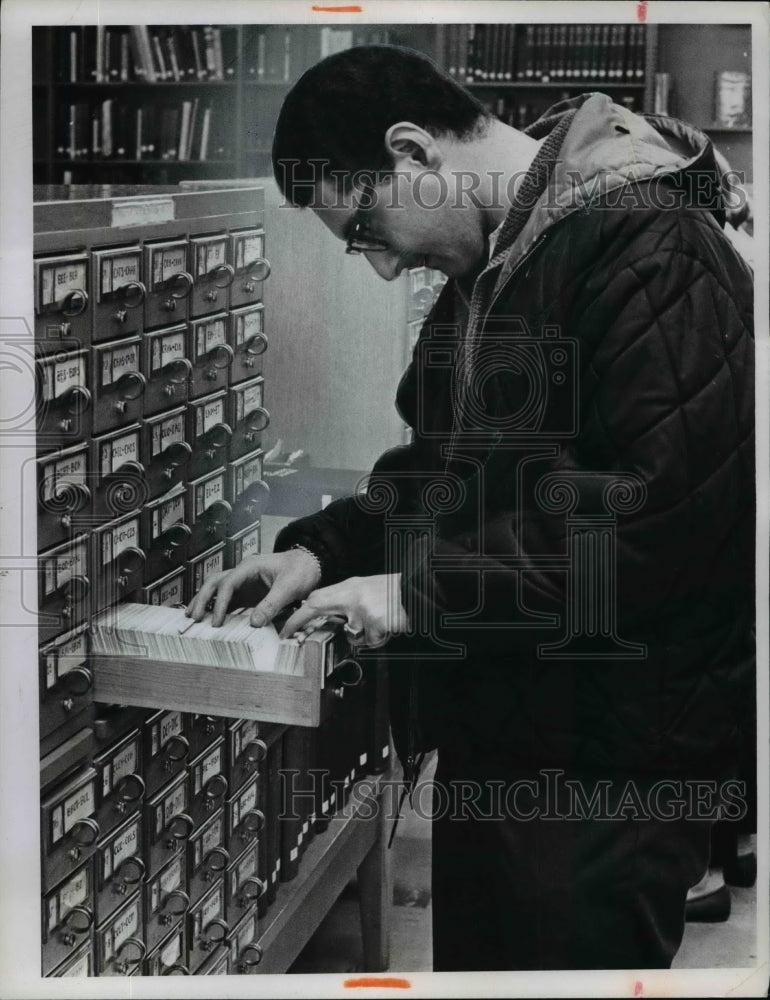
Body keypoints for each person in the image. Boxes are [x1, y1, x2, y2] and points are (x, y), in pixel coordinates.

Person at [187, 45, 755, 970]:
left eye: (366, 225)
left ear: (413, 152)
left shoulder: (652, 245)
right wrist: (325, 552)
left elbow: (658, 527)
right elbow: (444, 471)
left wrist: (415, 598)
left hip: (607, 764)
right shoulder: (504, 260)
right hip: (506, 724)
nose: (377, 268)